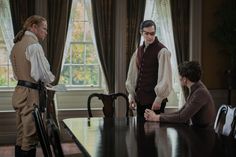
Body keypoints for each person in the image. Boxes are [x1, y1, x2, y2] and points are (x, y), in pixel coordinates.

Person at [10, 15, 55, 157]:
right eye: (44, 29)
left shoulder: (16, 45)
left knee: (21, 134)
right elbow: (42, 74)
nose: (46, 32)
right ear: (34, 27)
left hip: (19, 92)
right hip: (31, 94)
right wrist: (50, 79)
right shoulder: (34, 46)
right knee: (30, 137)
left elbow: (17, 75)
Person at [144, 61, 216, 128]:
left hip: (202, 135)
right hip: (197, 130)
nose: (178, 77)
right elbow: (181, 112)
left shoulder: (200, 93)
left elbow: (182, 117)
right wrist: (157, 116)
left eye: (179, 75)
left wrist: (156, 118)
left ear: (184, 79)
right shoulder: (197, 87)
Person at [126, 20, 172, 117]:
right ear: (141, 33)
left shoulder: (162, 51)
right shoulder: (138, 51)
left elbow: (165, 77)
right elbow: (133, 74)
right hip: (140, 100)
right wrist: (131, 95)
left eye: (152, 33)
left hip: (155, 101)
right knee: (140, 131)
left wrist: (159, 99)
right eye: (146, 33)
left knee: (153, 131)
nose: (150, 36)